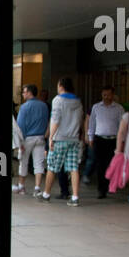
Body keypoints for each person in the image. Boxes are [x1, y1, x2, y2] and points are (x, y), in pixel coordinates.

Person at [40, 77, 86, 205]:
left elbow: (55, 119)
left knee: (52, 167)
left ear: (60, 86)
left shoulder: (58, 100)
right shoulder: (78, 101)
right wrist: (82, 134)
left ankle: (46, 194)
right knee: (73, 167)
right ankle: (75, 197)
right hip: (74, 139)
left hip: (59, 139)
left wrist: (50, 137)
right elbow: (81, 119)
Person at [87, 86, 125, 199]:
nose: (106, 97)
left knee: (111, 164)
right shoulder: (96, 107)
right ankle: (101, 189)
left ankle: (110, 186)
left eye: (108, 95)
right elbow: (92, 123)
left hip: (113, 140)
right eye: (104, 95)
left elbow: (122, 126)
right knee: (100, 165)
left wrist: (122, 141)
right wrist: (90, 137)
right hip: (99, 139)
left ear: (113, 95)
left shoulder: (119, 108)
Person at [14, 84, 48, 195]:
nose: (23, 94)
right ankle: (37, 188)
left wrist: (20, 142)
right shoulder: (44, 106)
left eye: (24, 92)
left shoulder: (24, 107)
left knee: (23, 162)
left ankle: (21, 186)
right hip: (40, 137)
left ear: (29, 92)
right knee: (39, 164)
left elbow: (20, 126)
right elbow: (47, 122)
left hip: (27, 138)